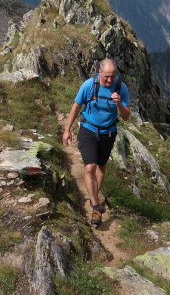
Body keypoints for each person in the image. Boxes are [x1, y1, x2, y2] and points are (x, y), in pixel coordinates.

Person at [62, 58, 131, 225]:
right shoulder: (89, 85)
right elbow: (76, 107)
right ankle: (95, 204)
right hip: (88, 130)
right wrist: (67, 130)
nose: (109, 80)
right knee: (90, 167)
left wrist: (119, 104)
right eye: (106, 76)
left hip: (108, 133)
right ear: (99, 73)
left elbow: (126, 116)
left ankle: (95, 201)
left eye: (112, 76)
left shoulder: (120, 87)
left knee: (101, 167)